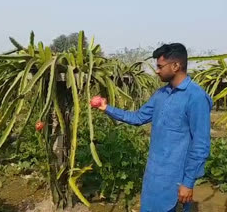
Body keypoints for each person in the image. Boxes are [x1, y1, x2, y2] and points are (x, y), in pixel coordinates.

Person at [91, 43, 213, 212]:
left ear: (176, 66)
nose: (157, 71)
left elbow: (201, 145)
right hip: (153, 177)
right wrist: (107, 108)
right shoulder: (161, 95)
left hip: (175, 182)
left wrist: (188, 182)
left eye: (160, 66)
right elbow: (138, 117)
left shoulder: (196, 97)